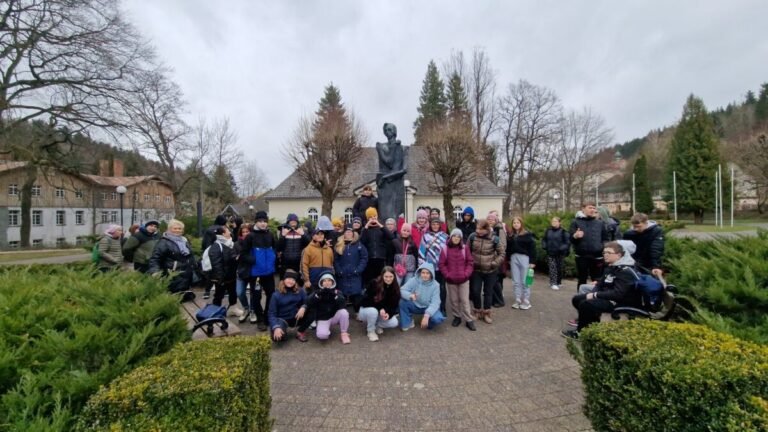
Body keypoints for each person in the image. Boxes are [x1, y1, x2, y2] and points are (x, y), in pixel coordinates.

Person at [562, 241, 642, 339]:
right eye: (604, 253)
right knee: (577, 299)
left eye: (609, 253)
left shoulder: (626, 271)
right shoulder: (611, 267)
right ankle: (591, 324)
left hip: (621, 302)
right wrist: (593, 293)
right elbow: (600, 284)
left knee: (586, 304)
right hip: (610, 298)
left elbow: (618, 294)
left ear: (619, 255)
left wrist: (595, 295)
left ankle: (582, 334)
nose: (605, 255)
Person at [239, 211, 277, 331]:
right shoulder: (250, 236)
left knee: (271, 295)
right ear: (256, 222)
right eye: (260, 221)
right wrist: (254, 260)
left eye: (265, 221)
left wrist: (273, 258)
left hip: (269, 272)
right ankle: (260, 319)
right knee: (256, 297)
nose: (263, 224)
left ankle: (267, 317)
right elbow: (243, 254)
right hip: (256, 273)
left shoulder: (271, 235)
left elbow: (275, 249)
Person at [468, 219, 505, 324]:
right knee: (475, 291)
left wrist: (494, 263)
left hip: (490, 271)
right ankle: (477, 311)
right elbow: (467, 251)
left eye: (480, 229)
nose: (478, 231)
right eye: (477, 228)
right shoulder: (472, 237)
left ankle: (487, 313)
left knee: (488, 293)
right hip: (476, 270)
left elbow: (502, 253)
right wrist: (470, 263)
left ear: (486, 229)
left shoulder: (495, 238)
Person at [439, 229, 476, 331]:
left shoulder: (465, 248)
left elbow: (470, 262)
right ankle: (457, 317)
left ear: (460, 238)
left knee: (464, 300)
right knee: (454, 300)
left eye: (458, 236)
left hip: (464, 279)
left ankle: (469, 319)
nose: (456, 238)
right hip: (451, 280)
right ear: (451, 237)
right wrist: (447, 275)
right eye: (454, 236)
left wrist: (466, 274)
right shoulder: (445, 249)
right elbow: (442, 264)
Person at [569, 202, 609, 291]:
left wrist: (603, 247)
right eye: (590, 207)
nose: (592, 210)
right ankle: (580, 299)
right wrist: (575, 236)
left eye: (594, 208)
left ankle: (596, 298)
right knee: (582, 279)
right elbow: (570, 239)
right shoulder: (575, 222)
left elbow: (606, 238)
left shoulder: (600, 223)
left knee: (597, 280)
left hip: (597, 256)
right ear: (583, 209)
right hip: (581, 256)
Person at [148, 219, 196, 293]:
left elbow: (190, 256)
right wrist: (155, 272)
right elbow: (155, 258)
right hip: (172, 275)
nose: (177, 230)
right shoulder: (163, 242)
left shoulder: (185, 241)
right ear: (169, 229)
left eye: (179, 228)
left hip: (186, 274)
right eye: (175, 228)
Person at [301, 273, 351, 344]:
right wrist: (317, 295)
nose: (327, 283)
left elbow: (343, 304)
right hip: (323, 318)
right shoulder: (317, 292)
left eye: (329, 280)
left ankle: (344, 333)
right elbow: (308, 302)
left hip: (334, 317)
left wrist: (334, 295)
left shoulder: (337, 291)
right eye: (324, 281)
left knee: (344, 312)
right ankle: (325, 329)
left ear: (333, 282)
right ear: (321, 283)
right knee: (322, 336)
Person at [268, 270, 312, 343]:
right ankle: (281, 329)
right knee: (277, 338)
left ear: (295, 281)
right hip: (282, 319)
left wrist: (304, 307)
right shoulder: (275, 295)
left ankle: (300, 331)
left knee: (313, 310)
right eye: (288, 279)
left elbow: (307, 301)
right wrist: (276, 327)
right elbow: (271, 314)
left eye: (293, 279)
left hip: (297, 317)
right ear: (284, 280)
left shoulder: (300, 290)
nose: (290, 281)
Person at [399, 263, 445, 331]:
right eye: (423, 272)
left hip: (428, 307)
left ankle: (427, 323)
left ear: (431, 274)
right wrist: (410, 295)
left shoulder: (436, 285)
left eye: (427, 273)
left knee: (438, 318)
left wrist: (427, 315)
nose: (425, 275)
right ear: (420, 272)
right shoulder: (414, 280)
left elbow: (436, 302)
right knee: (402, 303)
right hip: (415, 305)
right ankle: (408, 323)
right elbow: (402, 290)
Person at [358, 266, 401, 341]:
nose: (388, 279)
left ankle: (376, 325)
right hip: (366, 310)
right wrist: (380, 308)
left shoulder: (395, 288)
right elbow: (364, 301)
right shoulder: (374, 283)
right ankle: (370, 331)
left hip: (380, 313)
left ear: (394, 276)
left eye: (391, 276)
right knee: (373, 311)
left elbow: (394, 306)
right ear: (382, 276)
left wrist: (388, 313)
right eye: (386, 276)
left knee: (394, 322)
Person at [334, 224, 369, 313]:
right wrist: (339, 270)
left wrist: (359, 269)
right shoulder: (339, 245)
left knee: (356, 295)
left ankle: (357, 312)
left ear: (353, 233)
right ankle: (341, 313)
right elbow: (335, 260)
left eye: (350, 232)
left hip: (355, 274)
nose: (348, 233)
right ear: (344, 234)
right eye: (347, 232)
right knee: (341, 294)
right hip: (343, 274)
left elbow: (364, 258)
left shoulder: (359, 245)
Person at [419, 218, 449, 314]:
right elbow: (421, 251)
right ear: (430, 225)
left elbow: (448, 252)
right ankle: (430, 308)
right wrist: (422, 266)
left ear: (440, 225)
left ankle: (442, 307)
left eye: (437, 224)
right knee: (429, 287)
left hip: (441, 267)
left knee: (442, 288)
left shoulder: (445, 237)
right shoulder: (425, 236)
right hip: (429, 267)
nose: (435, 226)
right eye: (433, 224)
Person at [506, 217, 536, 310]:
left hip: (524, 258)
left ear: (521, 223)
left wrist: (532, 262)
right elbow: (508, 248)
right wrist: (508, 259)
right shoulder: (510, 235)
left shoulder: (527, 235)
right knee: (516, 281)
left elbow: (533, 249)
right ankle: (517, 299)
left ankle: (526, 301)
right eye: (514, 223)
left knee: (525, 281)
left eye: (517, 222)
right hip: (514, 258)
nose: (516, 224)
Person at [622, 213, 665, 277]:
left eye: (639, 227)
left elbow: (656, 249)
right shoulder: (628, 234)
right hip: (633, 263)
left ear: (646, 223)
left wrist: (656, 266)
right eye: (634, 227)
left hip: (649, 263)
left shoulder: (656, 231)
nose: (636, 229)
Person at [208, 226, 238, 311]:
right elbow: (216, 263)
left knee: (233, 293)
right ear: (223, 233)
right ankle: (215, 311)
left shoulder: (230, 243)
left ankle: (233, 308)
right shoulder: (216, 245)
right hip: (221, 276)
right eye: (228, 231)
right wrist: (219, 277)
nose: (230, 232)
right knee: (219, 295)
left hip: (231, 274)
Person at [360, 207, 390, 286]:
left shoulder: (381, 228)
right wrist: (366, 226)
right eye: (370, 217)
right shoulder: (365, 229)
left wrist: (380, 225)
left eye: (374, 216)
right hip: (370, 258)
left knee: (380, 280)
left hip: (381, 258)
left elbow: (390, 236)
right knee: (370, 281)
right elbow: (361, 241)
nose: (373, 219)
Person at [201, 214, 228, 299]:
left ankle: (207, 291)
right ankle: (223, 291)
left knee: (210, 272)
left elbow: (204, 242)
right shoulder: (224, 229)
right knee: (221, 271)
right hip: (221, 252)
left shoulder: (209, 229)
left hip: (209, 251)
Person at [277, 213, 309, 279]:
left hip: (298, 260)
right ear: (288, 222)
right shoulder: (283, 230)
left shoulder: (302, 230)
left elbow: (308, 244)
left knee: (298, 280)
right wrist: (283, 236)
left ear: (297, 222)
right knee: (284, 279)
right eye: (291, 220)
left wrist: (303, 234)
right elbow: (279, 247)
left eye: (295, 220)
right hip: (285, 261)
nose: (293, 222)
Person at [541, 217, 570, 291]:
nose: (554, 223)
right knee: (552, 268)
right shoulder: (548, 231)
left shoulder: (563, 231)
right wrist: (544, 246)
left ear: (559, 223)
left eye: (555, 221)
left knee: (559, 268)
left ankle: (558, 282)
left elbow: (567, 243)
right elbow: (544, 239)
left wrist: (561, 248)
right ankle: (553, 283)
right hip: (550, 252)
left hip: (560, 253)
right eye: (552, 221)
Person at [487, 211, 508, 307]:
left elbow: (503, 245)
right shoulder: (487, 229)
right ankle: (493, 299)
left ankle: (499, 300)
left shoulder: (499, 229)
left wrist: (495, 254)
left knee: (496, 281)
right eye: (489, 219)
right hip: (488, 259)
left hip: (496, 258)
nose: (490, 221)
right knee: (491, 281)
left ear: (495, 220)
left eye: (492, 219)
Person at [234, 224, 254, 323]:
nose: (245, 234)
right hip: (241, 271)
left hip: (253, 271)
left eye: (247, 231)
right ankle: (246, 308)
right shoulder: (237, 244)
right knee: (240, 292)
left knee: (254, 293)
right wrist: (236, 257)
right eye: (243, 232)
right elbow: (234, 255)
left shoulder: (255, 242)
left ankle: (252, 310)